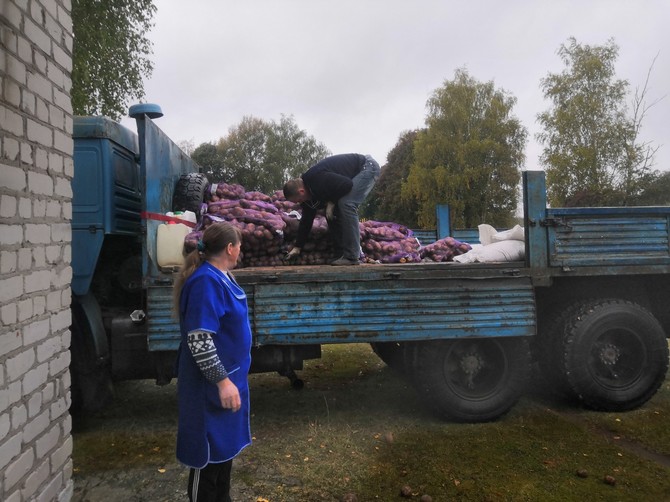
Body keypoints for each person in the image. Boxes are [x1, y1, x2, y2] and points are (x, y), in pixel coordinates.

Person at [172, 222, 252, 502]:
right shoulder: (206, 281)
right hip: (209, 388)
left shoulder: (223, 276)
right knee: (206, 460)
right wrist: (222, 381)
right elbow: (199, 340)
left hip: (229, 381)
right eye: (239, 245)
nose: (241, 250)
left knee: (223, 455)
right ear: (230, 248)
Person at [283, 153, 380, 266]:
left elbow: (346, 184)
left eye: (298, 200)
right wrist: (298, 247)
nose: (300, 203)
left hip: (367, 167)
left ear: (301, 192)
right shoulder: (308, 198)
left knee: (346, 204)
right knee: (331, 214)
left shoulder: (316, 179)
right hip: (357, 173)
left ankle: (352, 256)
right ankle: (340, 254)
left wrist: (332, 202)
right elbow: (306, 221)